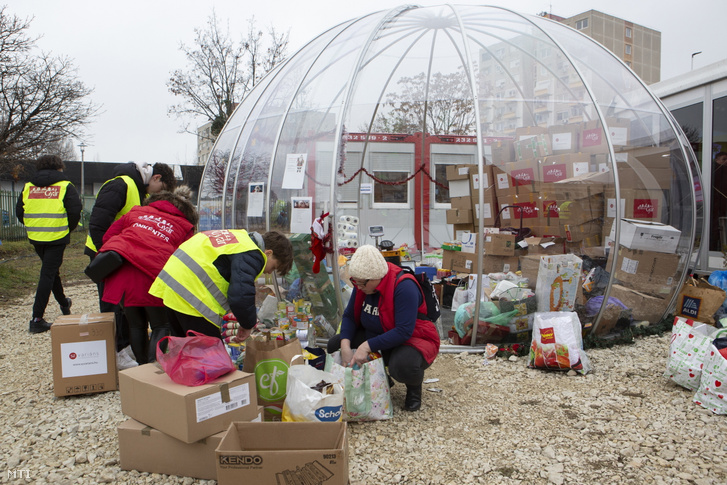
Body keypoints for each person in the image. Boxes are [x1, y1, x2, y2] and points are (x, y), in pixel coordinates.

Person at [327, 245, 440, 412]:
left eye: (362, 283)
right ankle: (380, 379)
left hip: (410, 339)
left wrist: (365, 347)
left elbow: (403, 331)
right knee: (334, 344)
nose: (358, 287)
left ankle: (414, 388)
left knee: (402, 366)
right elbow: (350, 316)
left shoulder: (404, 287)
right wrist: (345, 346)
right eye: (355, 282)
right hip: (378, 334)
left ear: (375, 277)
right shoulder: (362, 284)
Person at [98, 186, 198, 364]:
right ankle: (153, 370)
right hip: (155, 277)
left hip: (123, 274)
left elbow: (108, 237)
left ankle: (142, 369)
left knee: (136, 325)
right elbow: (187, 258)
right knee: (161, 325)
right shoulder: (185, 226)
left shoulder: (135, 212)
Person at [84, 161, 176, 350]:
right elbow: (98, 223)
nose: (158, 195)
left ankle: (125, 348)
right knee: (112, 305)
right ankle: (117, 350)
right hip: (107, 254)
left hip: (118, 254)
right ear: (156, 178)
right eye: (161, 189)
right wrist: (107, 256)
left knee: (125, 307)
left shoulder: (137, 188)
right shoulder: (122, 185)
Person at [149, 229, 293, 343]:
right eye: (273, 267)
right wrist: (248, 324)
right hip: (192, 296)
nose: (268, 273)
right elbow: (241, 295)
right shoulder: (252, 254)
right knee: (212, 361)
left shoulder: (239, 238)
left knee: (185, 351)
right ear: (268, 253)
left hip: (173, 288)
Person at [16, 155, 82, 333]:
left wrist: (35, 225)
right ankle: (37, 319)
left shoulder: (28, 186)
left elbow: (19, 211)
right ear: (59, 168)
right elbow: (75, 211)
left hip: (36, 236)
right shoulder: (66, 186)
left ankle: (63, 303)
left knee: (51, 271)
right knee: (47, 273)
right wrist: (67, 228)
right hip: (57, 236)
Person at [713, 151, 727, 251]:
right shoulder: (714, 170)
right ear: (716, 160)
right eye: (723, 159)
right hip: (714, 205)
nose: (726, 162)